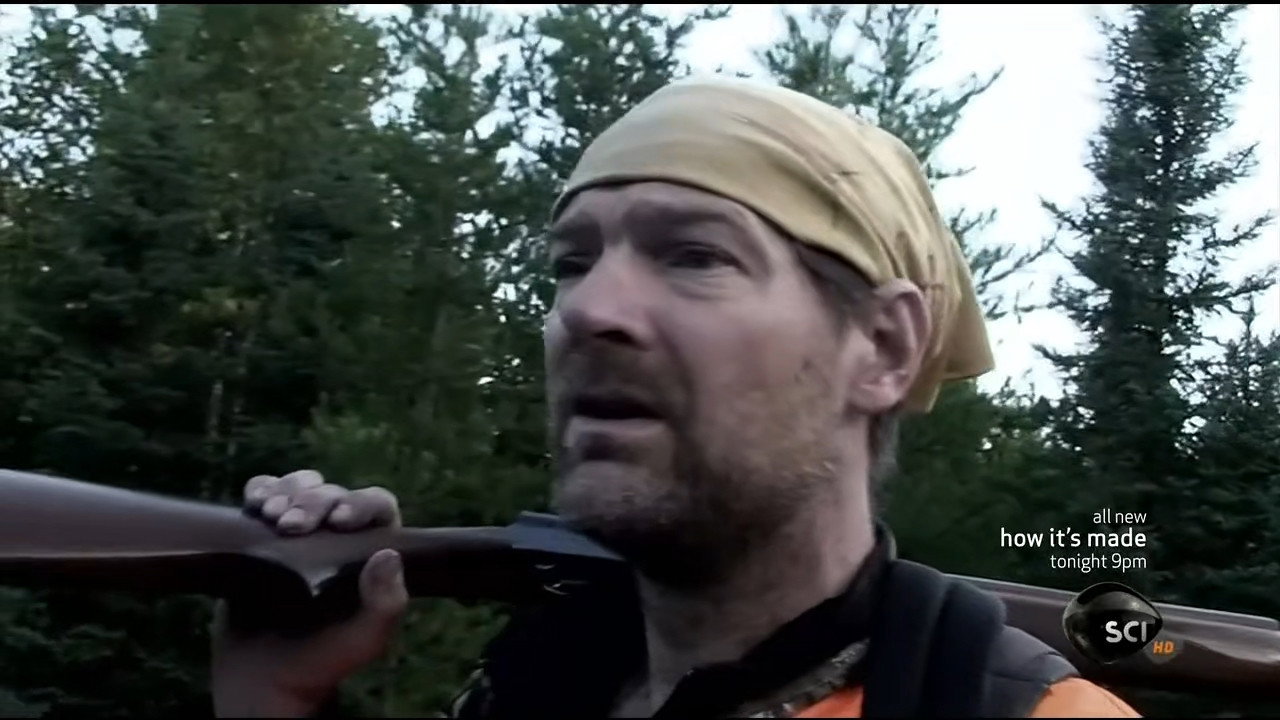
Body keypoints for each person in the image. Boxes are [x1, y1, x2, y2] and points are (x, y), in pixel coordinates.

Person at [210, 77, 1142, 718]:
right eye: (572, 262)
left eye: (694, 254)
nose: (588, 310)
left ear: (883, 348)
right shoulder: (531, 688)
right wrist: (275, 702)